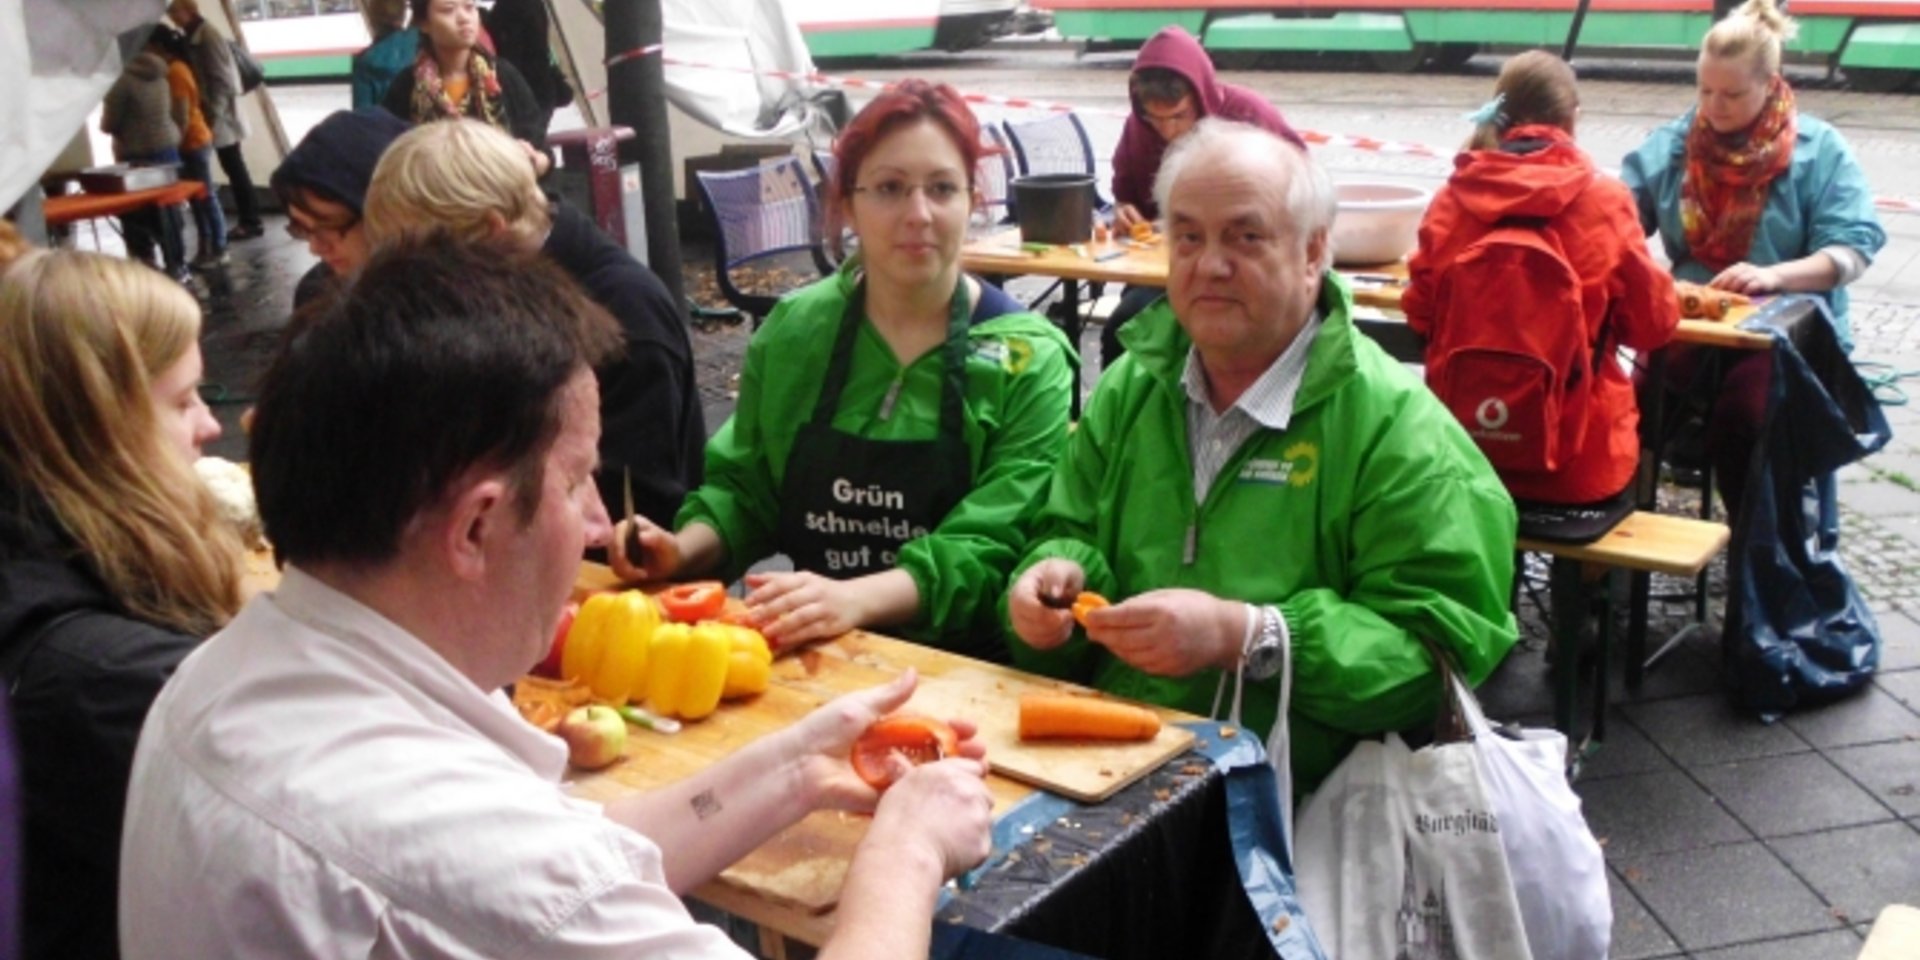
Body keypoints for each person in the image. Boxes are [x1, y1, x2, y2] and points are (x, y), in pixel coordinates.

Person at [118, 236, 994, 959]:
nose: (590, 527)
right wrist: (909, 851)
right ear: (475, 529)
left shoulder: (222, 677)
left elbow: (581, 864)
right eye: (578, 481)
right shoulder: (451, 853)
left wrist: (796, 769)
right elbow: (536, 887)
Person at [1005, 120, 1518, 792]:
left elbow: (1441, 654)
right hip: (1115, 776)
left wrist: (1252, 637)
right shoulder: (1135, 385)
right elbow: (1067, 528)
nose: (1210, 264)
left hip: (1307, 811)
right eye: (1187, 236)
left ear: (1313, 254)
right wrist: (1053, 584)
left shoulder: (1398, 426)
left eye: (1245, 238)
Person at [611, 81, 1076, 661]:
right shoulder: (797, 331)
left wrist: (855, 600)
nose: (918, 214)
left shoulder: (1029, 360)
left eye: (941, 188)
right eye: (889, 188)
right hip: (816, 656)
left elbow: (990, 545)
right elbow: (747, 487)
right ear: (848, 203)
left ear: (971, 202)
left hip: (967, 673)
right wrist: (682, 550)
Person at [0, 250, 242, 960]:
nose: (209, 426)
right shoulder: (112, 677)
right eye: (183, 400)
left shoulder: (43, 560)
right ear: (99, 423)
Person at [362, 119, 704, 534]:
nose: (410, 282)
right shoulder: (487, 287)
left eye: (422, 258)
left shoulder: (627, 316)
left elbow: (635, 519)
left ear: (491, 231)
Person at [1623, 0, 1885, 517]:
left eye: (1732, 94)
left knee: (1744, 423)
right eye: (1704, 91)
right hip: (1697, 325)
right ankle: (1612, 558)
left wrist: (1774, 275)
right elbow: (1620, 216)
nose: (1714, 107)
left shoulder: (1818, 150)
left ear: (1771, 83)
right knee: (1625, 413)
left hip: (1789, 329)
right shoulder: (1677, 145)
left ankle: (1761, 558)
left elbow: (1853, 250)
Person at [1404, 50, 1678, 529]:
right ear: (1573, 118)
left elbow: (1420, 315)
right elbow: (1653, 326)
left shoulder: (1454, 198)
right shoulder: (1606, 202)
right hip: (1581, 470)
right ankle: (1589, 599)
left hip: (1462, 460)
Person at [1101, 25, 1308, 370]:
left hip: (1245, 268)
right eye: (1156, 119)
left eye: (1179, 116)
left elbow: (1303, 190)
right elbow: (1125, 194)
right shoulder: (1137, 128)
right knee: (1126, 328)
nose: (1168, 131)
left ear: (1201, 96)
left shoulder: (1247, 116)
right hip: (1162, 272)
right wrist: (1124, 211)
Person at [381, 0, 549, 175]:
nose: (464, 18)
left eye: (470, 8)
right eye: (448, 10)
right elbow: (390, 155)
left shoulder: (502, 76)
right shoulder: (408, 85)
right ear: (424, 23)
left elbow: (542, 149)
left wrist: (531, 159)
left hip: (499, 194)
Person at [269, 107, 413, 309]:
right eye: (301, 228)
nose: (315, 248)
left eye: (329, 226)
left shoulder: (449, 312)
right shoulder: (317, 295)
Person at [168, 0, 264, 241]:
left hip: (222, 116)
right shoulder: (197, 35)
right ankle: (250, 219)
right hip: (220, 114)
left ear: (189, 11)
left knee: (234, 166)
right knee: (234, 166)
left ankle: (250, 221)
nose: (171, 17)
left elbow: (223, 82)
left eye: (174, 12)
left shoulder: (207, 37)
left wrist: (212, 116)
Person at [98, 36, 189, 282]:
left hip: (136, 152)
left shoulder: (122, 81)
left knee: (136, 213)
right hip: (167, 146)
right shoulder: (160, 74)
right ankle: (178, 265)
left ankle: (145, 265)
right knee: (168, 210)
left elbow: (110, 123)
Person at [154, 26, 227, 270]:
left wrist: (173, 143)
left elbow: (181, 115)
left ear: (159, 47)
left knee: (205, 196)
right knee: (198, 197)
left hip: (193, 141)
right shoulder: (178, 68)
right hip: (193, 139)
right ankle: (208, 246)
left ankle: (219, 246)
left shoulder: (175, 72)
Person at [483, 0, 573, 142]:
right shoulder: (527, 5)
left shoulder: (513, 7)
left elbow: (512, 56)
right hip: (539, 91)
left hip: (527, 93)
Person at [352, 0, 418, 111]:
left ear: (373, 18)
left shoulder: (364, 61)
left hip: (387, 126)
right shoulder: (421, 42)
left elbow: (362, 115)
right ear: (403, 13)